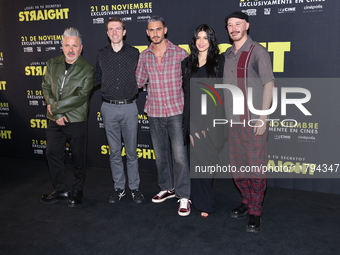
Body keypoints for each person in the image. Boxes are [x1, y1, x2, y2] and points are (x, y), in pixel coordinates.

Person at [223, 12, 275, 232]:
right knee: (238, 168)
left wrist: (263, 118)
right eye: (229, 25)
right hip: (233, 122)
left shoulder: (258, 51)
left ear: (247, 25)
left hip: (254, 121)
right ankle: (246, 200)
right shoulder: (226, 54)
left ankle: (255, 210)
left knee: (255, 168)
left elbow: (269, 85)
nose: (233, 28)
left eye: (237, 24)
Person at [136, 16, 191, 216]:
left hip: (176, 111)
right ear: (147, 32)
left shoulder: (180, 53)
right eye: (151, 30)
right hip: (154, 112)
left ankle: (184, 195)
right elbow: (139, 81)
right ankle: (167, 188)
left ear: (165, 30)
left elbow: (189, 84)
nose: (155, 33)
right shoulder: (144, 56)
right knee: (161, 156)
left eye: (158, 29)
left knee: (180, 157)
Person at [40, 27, 94, 207]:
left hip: (76, 118)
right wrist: (57, 113)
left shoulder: (87, 69)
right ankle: (61, 189)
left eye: (75, 46)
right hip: (54, 118)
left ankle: (77, 190)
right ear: (62, 47)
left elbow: (81, 96)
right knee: (53, 153)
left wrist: (55, 108)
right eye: (67, 45)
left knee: (78, 156)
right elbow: (46, 87)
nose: (71, 50)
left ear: (81, 48)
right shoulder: (51, 63)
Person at [95, 17, 144, 204]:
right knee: (114, 152)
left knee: (131, 152)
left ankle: (135, 188)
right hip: (108, 107)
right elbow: (96, 78)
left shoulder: (134, 53)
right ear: (107, 33)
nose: (114, 32)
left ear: (124, 32)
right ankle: (119, 188)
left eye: (118, 29)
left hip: (130, 107)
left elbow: (143, 76)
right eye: (111, 29)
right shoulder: (101, 54)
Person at [181, 24, 225, 217]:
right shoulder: (187, 63)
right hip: (193, 118)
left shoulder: (219, 62)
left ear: (211, 40)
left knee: (207, 161)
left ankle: (205, 201)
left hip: (212, 119)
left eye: (205, 38)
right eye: (198, 37)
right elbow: (187, 94)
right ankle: (200, 201)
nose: (201, 41)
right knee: (195, 161)